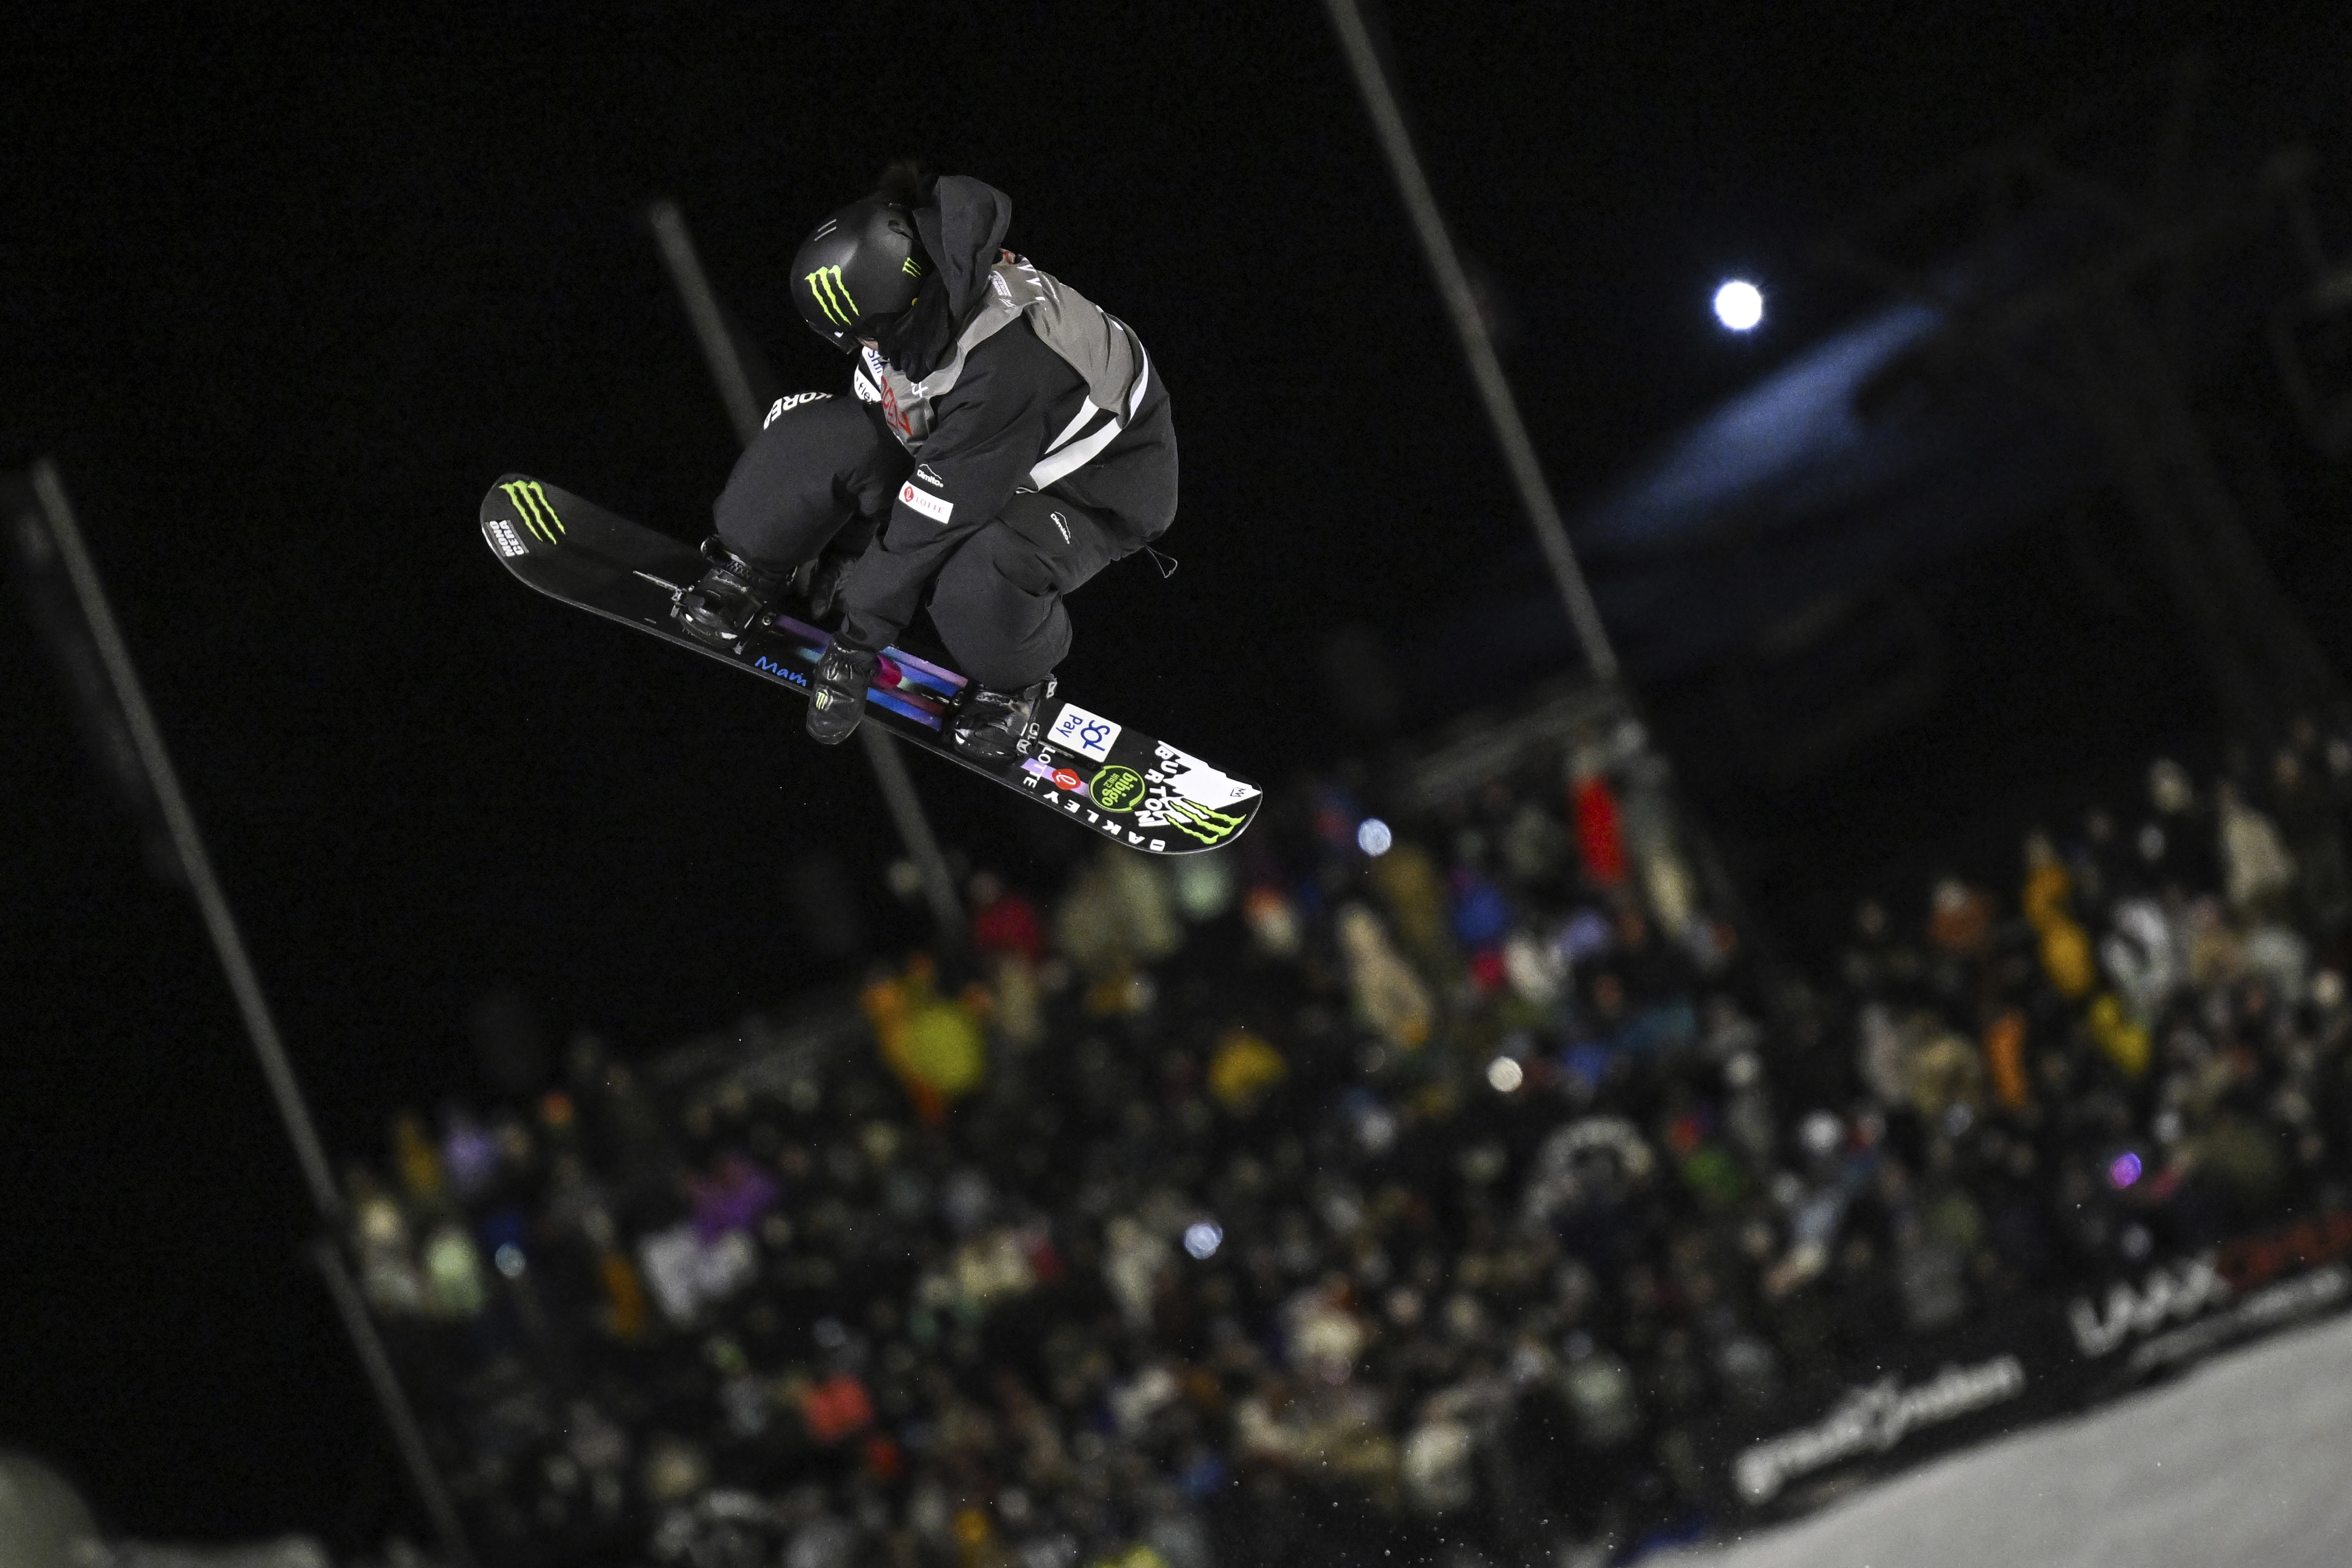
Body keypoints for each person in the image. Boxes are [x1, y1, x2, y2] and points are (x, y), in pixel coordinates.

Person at [674, 164, 1177, 760]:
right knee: (809, 433)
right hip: (979, 453)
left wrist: (855, 646)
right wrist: (839, 543)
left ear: (898, 312)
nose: (864, 351)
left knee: (978, 570)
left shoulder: (1009, 362)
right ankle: (748, 571)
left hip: (1084, 491)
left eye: (866, 336)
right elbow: (882, 433)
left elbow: (936, 513)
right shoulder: (922, 312)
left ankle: (1014, 687)